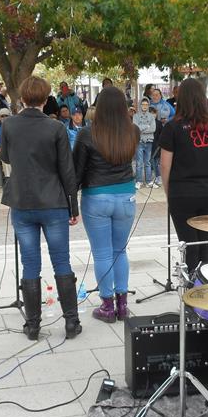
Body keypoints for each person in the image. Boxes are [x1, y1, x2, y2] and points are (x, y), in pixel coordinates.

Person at [0, 75, 82, 341]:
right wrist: (73, 206)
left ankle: (33, 324)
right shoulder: (56, 127)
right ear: (46, 100)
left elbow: (7, 157)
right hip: (53, 201)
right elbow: (66, 170)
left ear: (22, 99)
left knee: (30, 263)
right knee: (62, 261)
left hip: (22, 201)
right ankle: (71, 322)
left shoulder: (9, 125)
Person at [73, 86, 139, 323]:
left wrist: (70, 202)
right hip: (126, 195)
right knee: (120, 250)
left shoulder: (86, 134)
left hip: (96, 196)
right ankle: (122, 305)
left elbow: (76, 172)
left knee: (102, 253)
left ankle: (107, 305)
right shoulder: (133, 131)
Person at [159, 78, 208, 273]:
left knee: (189, 247)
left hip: (182, 192)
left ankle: (194, 295)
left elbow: (165, 165)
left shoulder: (172, 127)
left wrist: (169, 193)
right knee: (204, 245)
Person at [133, 98, 156, 189]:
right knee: (139, 162)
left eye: (146, 104)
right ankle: (139, 181)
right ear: (140, 105)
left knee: (148, 162)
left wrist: (141, 128)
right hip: (139, 141)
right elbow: (135, 128)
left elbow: (153, 129)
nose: (145, 106)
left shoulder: (151, 116)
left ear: (148, 105)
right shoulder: (135, 116)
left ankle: (149, 181)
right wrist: (146, 126)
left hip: (149, 141)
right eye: (143, 104)